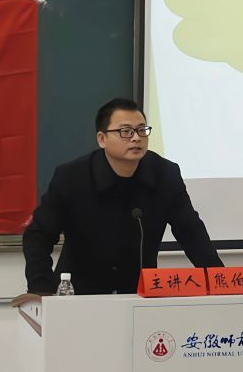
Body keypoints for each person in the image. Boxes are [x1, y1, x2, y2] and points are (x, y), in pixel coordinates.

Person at [22, 97, 223, 294]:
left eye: (142, 130)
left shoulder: (165, 174)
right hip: (80, 293)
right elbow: (38, 235)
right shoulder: (72, 177)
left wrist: (219, 281)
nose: (136, 138)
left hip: (139, 293)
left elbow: (191, 232)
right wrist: (41, 289)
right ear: (102, 139)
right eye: (125, 131)